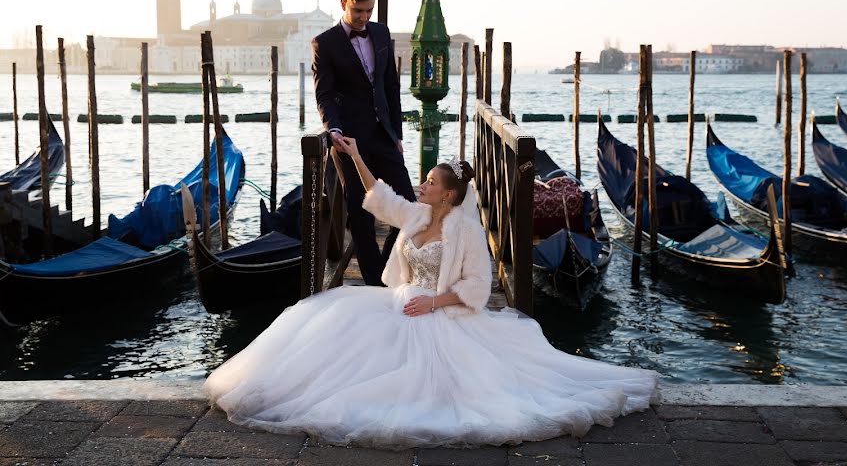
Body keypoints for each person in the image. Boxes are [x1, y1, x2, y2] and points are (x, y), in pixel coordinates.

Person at [204, 136, 659, 449]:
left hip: (442, 311)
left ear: (448, 196)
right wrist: (356, 154)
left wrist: (433, 302)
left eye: (430, 182)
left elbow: (479, 287)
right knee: (328, 328)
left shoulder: (466, 230)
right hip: (400, 301)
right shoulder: (418, 216)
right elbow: (379, 197)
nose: (421, 185)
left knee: (448, 390)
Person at [312, 0, 415, 285]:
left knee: (408, 205)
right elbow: (324, 94)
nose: (364, 17)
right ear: (344, 3)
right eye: (358, 11)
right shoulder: (325, 43)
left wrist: (396, 134)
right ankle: (373, 283)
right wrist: (333, 129)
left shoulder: (382, 34)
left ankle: (385, 269)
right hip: (348, 141)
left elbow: (390, 87)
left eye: (369, 11)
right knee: (361, 214)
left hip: (384, 135)